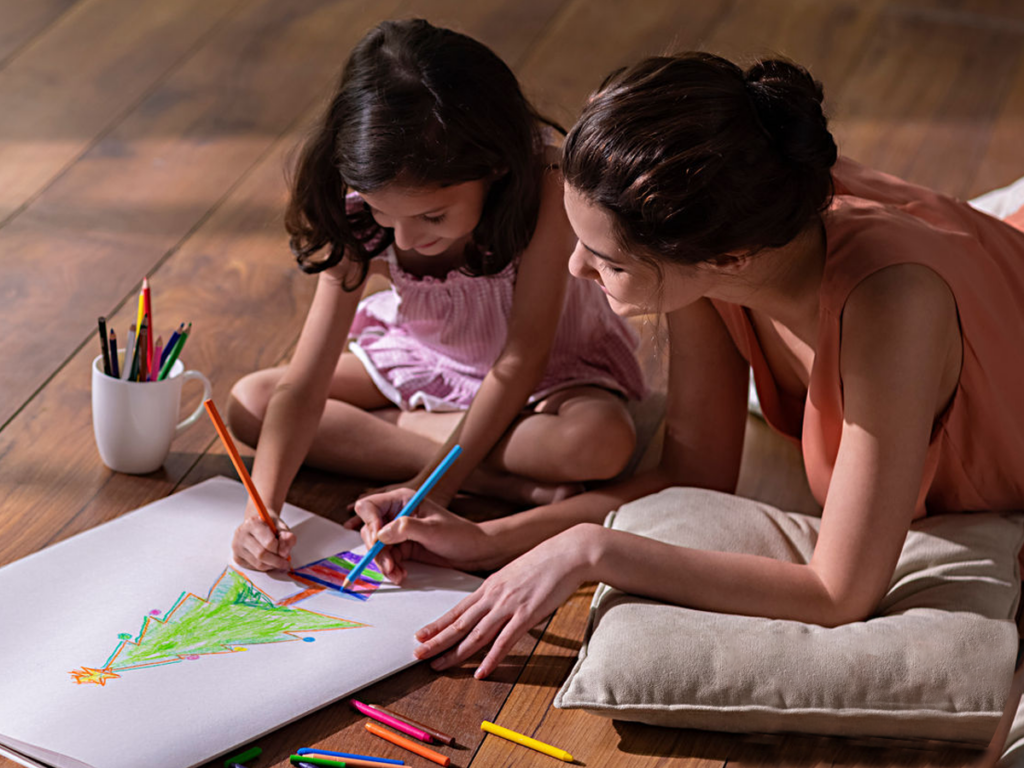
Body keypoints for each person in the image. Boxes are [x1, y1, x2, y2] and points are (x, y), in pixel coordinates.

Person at [350, 52, 1024, 679]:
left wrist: (592, 550)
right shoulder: (717, 236)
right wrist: (488, 540)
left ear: (727, 259)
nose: (575, 268)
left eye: (607, 260)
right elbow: (692, 475)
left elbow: (837, 592)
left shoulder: (890, 307)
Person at [227, 19, 646, 571]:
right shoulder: (356, 191)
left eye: (432, 215)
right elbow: (303, 383)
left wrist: (431, 491)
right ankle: (506, 481)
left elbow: (523, 356)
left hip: (544, 378)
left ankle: (460, 458)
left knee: (600, 443)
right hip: (427, 360)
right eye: (383, 212)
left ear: (494, 165)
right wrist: (264, 513)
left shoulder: (546, 177)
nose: (405, 238)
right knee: (250, 404)